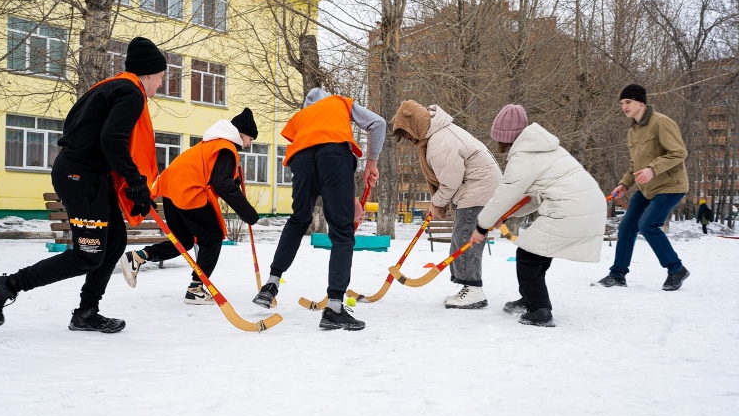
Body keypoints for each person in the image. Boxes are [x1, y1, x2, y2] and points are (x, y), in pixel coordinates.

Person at [0, 37, 167, 332]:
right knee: (87, 255)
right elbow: (111, 139)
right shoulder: (130, 93)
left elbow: (82, 130)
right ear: (147, 73)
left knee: (113, 244)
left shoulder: (108, 88)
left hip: (89, 174)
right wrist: (135, 182)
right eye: (160, 77)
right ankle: (4, 286)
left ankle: (86, 312)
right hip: (81, 176)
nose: (160, 85)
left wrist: (133, 186)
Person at [251, 87, 385, 331]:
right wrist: (371, 164)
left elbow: (315, 157)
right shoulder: (340, 103)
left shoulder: (303, 117)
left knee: (299, 219)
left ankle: (270, 285)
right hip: (335, 157)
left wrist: (349, 201)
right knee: (342, 232)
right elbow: (378, 123)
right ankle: (334, 308)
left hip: (300, 158)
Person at [470, 104, 606, 327]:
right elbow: (534, 196)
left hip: (569, 209)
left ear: (505, 137)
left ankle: (539, 311)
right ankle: (531, 298)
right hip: (585, 206)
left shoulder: (523, 157)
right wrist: (503, 216)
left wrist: (482, 226)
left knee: (528, 257)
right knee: (538, 253)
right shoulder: (545, 150)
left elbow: (504, 194)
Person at [120, 108, 260, 304]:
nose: (249, 144)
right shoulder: (226, 147)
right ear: (241, 133)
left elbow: (215, 175)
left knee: (183, 241)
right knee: (211, 237)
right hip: (188, 191)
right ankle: (196, 289)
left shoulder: (213, 143)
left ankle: (138, 256)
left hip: (171, 189)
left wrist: (233, 181)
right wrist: (248, 213)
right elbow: (222, 183)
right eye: (250, 139)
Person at [392, 100, 501, 309]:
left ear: (415, 124)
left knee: (465, 238)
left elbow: (450, 181)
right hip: (477, 188)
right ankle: (469, 287)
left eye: (407, 134)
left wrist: (436, 202)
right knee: (462, 237)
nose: (410, 140)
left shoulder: (440, 142)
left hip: (479, 189)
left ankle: (474, 290)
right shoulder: (437, 134)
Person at [594, 84, 690, 291]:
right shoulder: (633, 131)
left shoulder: (662, 123)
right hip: (646, 189)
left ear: (641, 102)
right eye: (622, 103)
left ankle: (676, 269)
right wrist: (624, 184)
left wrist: (653, 170)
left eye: (627, 102)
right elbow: (634, 166)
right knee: (626, 227)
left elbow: (679, 152)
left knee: (648, 225)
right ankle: (617, 275)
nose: (624, 107)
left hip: (670, 185)